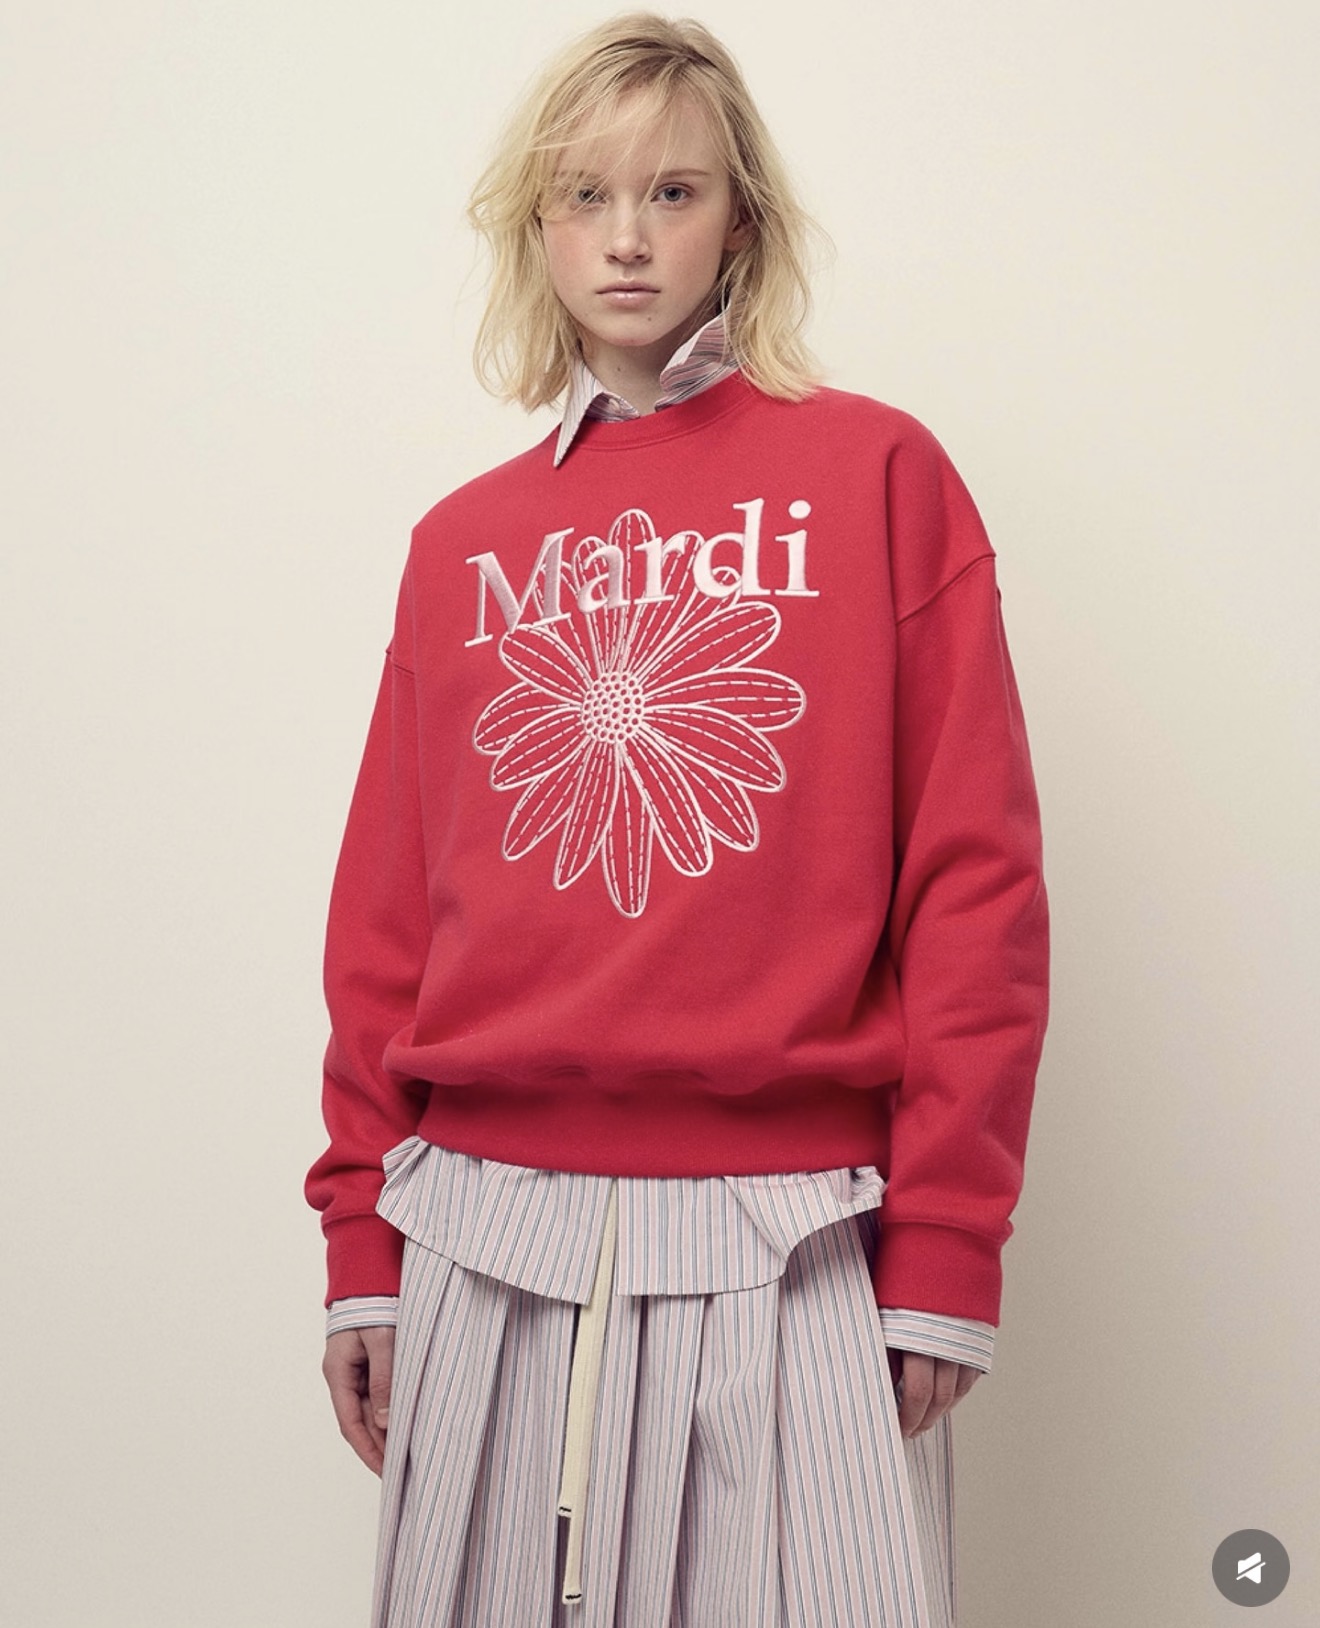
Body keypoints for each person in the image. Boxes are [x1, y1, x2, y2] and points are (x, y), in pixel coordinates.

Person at [306, 12, 1049, 1626]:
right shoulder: (461, 543)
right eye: (585, 196)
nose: (628, 238)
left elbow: (974, 883)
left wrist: (947, 1240)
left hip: (800, 1236)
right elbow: (384, 920)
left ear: (742, 220)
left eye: (673, 192)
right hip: (477, 1227)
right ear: (536, 227)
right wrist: (362, 1236)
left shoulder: (880, 476)